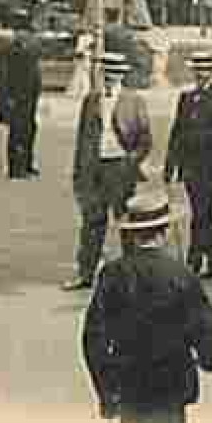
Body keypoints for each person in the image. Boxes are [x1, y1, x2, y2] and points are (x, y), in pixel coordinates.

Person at [82, 192, 212, 423]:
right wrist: (207, 358)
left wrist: (105, 390)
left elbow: (93, 338)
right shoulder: (181, 275)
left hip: (129, 381)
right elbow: (205, 327)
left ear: (133, 235)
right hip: (172, 381)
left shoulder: (113, 275)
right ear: (165, 232)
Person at [65, 52, 153, 291]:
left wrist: (131, 161)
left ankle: (135, 279)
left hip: (120, 169)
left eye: (115, 75)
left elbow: (145, 140)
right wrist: (79, 172)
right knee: (92, 222)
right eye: (107, 74)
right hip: (95, 169)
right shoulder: (91, 100)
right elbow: (82, 139)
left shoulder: (134, 101)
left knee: (127, 224)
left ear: (123, 76)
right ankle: (86, 274)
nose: (110, 80)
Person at [166, 52, 212, 279]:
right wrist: (171, 164)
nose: (201, 74)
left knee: (202, 212)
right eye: (197, 70)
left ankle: (194, 260)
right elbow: (177, 132)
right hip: (190, 166)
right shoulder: (186, 98)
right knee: (202, 213)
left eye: (205, 70)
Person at [0, 9, 43, 179]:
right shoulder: (11, 45)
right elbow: (4, 73)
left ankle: (25, 163)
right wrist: (4, 97)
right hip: (18, 94)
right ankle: (18, 167)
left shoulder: (25, 43)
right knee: (20, 130)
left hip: (26, 94)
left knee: (27, 129)